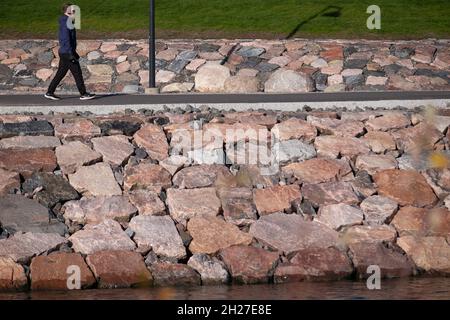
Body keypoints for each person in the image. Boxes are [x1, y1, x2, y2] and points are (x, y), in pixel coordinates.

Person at [44, 3, 95, 101]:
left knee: (61, 73)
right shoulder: (66, 22)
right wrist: (70, 53)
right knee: (77, 73)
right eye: (73, 10)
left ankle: (50, 92)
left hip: (66, 52)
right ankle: (83, 93)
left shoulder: (68, 21)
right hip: (67, 53)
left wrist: (73, 52)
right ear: (67, 11)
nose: (75, 12)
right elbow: (65, 38)